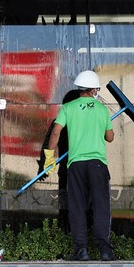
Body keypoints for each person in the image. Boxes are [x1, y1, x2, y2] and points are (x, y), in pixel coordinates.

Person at [45, 70, 114, 261]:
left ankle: (81, 250)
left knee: (77, 207)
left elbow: (55, 133)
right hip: (98, 165)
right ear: (93, 90)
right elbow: (110, 137)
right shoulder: (102, 109)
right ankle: (105, 250)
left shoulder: (68, 108)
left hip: (76, 165)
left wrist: (49, 157)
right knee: (101, 207)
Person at [36, 89, 81, 230]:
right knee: (71, 204)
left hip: (69, 169)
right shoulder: (61, 122)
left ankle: (68, 233)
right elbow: (49, 142)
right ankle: (70, 235)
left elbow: (48, 143)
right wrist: (44, 165)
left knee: (68, 205)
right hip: (72, 169)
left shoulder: (61, 122)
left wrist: (44, 165)